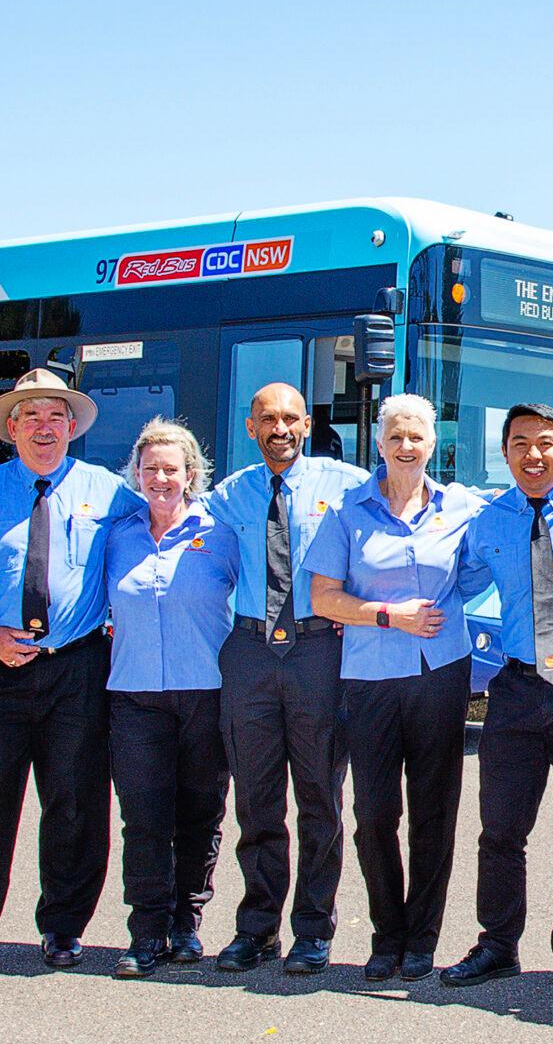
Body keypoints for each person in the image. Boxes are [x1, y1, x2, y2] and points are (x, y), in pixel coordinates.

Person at [0, 369, 141, 978]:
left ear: (73, 426)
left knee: (76, 803)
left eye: (55, 416)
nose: (44, 428)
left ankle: (63, 929)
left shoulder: (113, 492)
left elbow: (162, 539)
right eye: (30, 417)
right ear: (11, 428)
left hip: (79, 668)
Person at [439, 405, 553, 993]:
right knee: (500, 829)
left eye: (545, 443)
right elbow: (448, 581)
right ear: (505, 454)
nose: (533, 456)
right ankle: (498, 944)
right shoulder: (487, 521)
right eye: (519, 444)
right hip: (517, 691)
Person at [304, 394, 488, 983]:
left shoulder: (464, 506)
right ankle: (386, 935)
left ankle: (422, 938)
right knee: (375, 812)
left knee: (434, 811)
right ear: (379, 443)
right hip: (371, 676)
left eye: (417, 437)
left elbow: (525, 511)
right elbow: (322, 598)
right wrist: (388, 613)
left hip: (441, 673)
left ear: (434, 443)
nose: (406, 446)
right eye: (395, 437)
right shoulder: (348, 511)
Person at [205, 383, 369, 978]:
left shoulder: (348, 484)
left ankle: (313, 931)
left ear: (307, 424)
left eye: (290, 419)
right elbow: (165, 518)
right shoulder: (229, 494)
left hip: (318, 651)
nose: (280, 430)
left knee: (320, 797)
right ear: (251, 428)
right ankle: (256, 928)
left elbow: (418, 498)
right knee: (255, 798)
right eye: (267, 420)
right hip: (249, 653)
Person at [102, 419, 240, 978]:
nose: (160, 478)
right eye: (150, 468)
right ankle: (145, 932)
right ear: (136, 473)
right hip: (134, 696)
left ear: (191, 475)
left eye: (171, 469)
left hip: (207, 694)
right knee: (143, 818)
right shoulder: (116, 535)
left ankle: (187, 923)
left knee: (201, 815)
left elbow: (261, 594)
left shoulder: (222, 534)